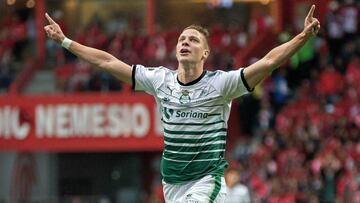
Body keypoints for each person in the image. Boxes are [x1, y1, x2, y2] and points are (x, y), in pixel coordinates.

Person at [44, 5, 320, 203]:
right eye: (182, 39)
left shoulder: (222, 84)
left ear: (206, 52)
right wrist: (66, 41)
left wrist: (303, 36)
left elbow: (269, 61)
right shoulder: (159, 80)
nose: (185, 42)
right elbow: (107, 62)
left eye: (193, 39)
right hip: (172, 185)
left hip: (206, 182)